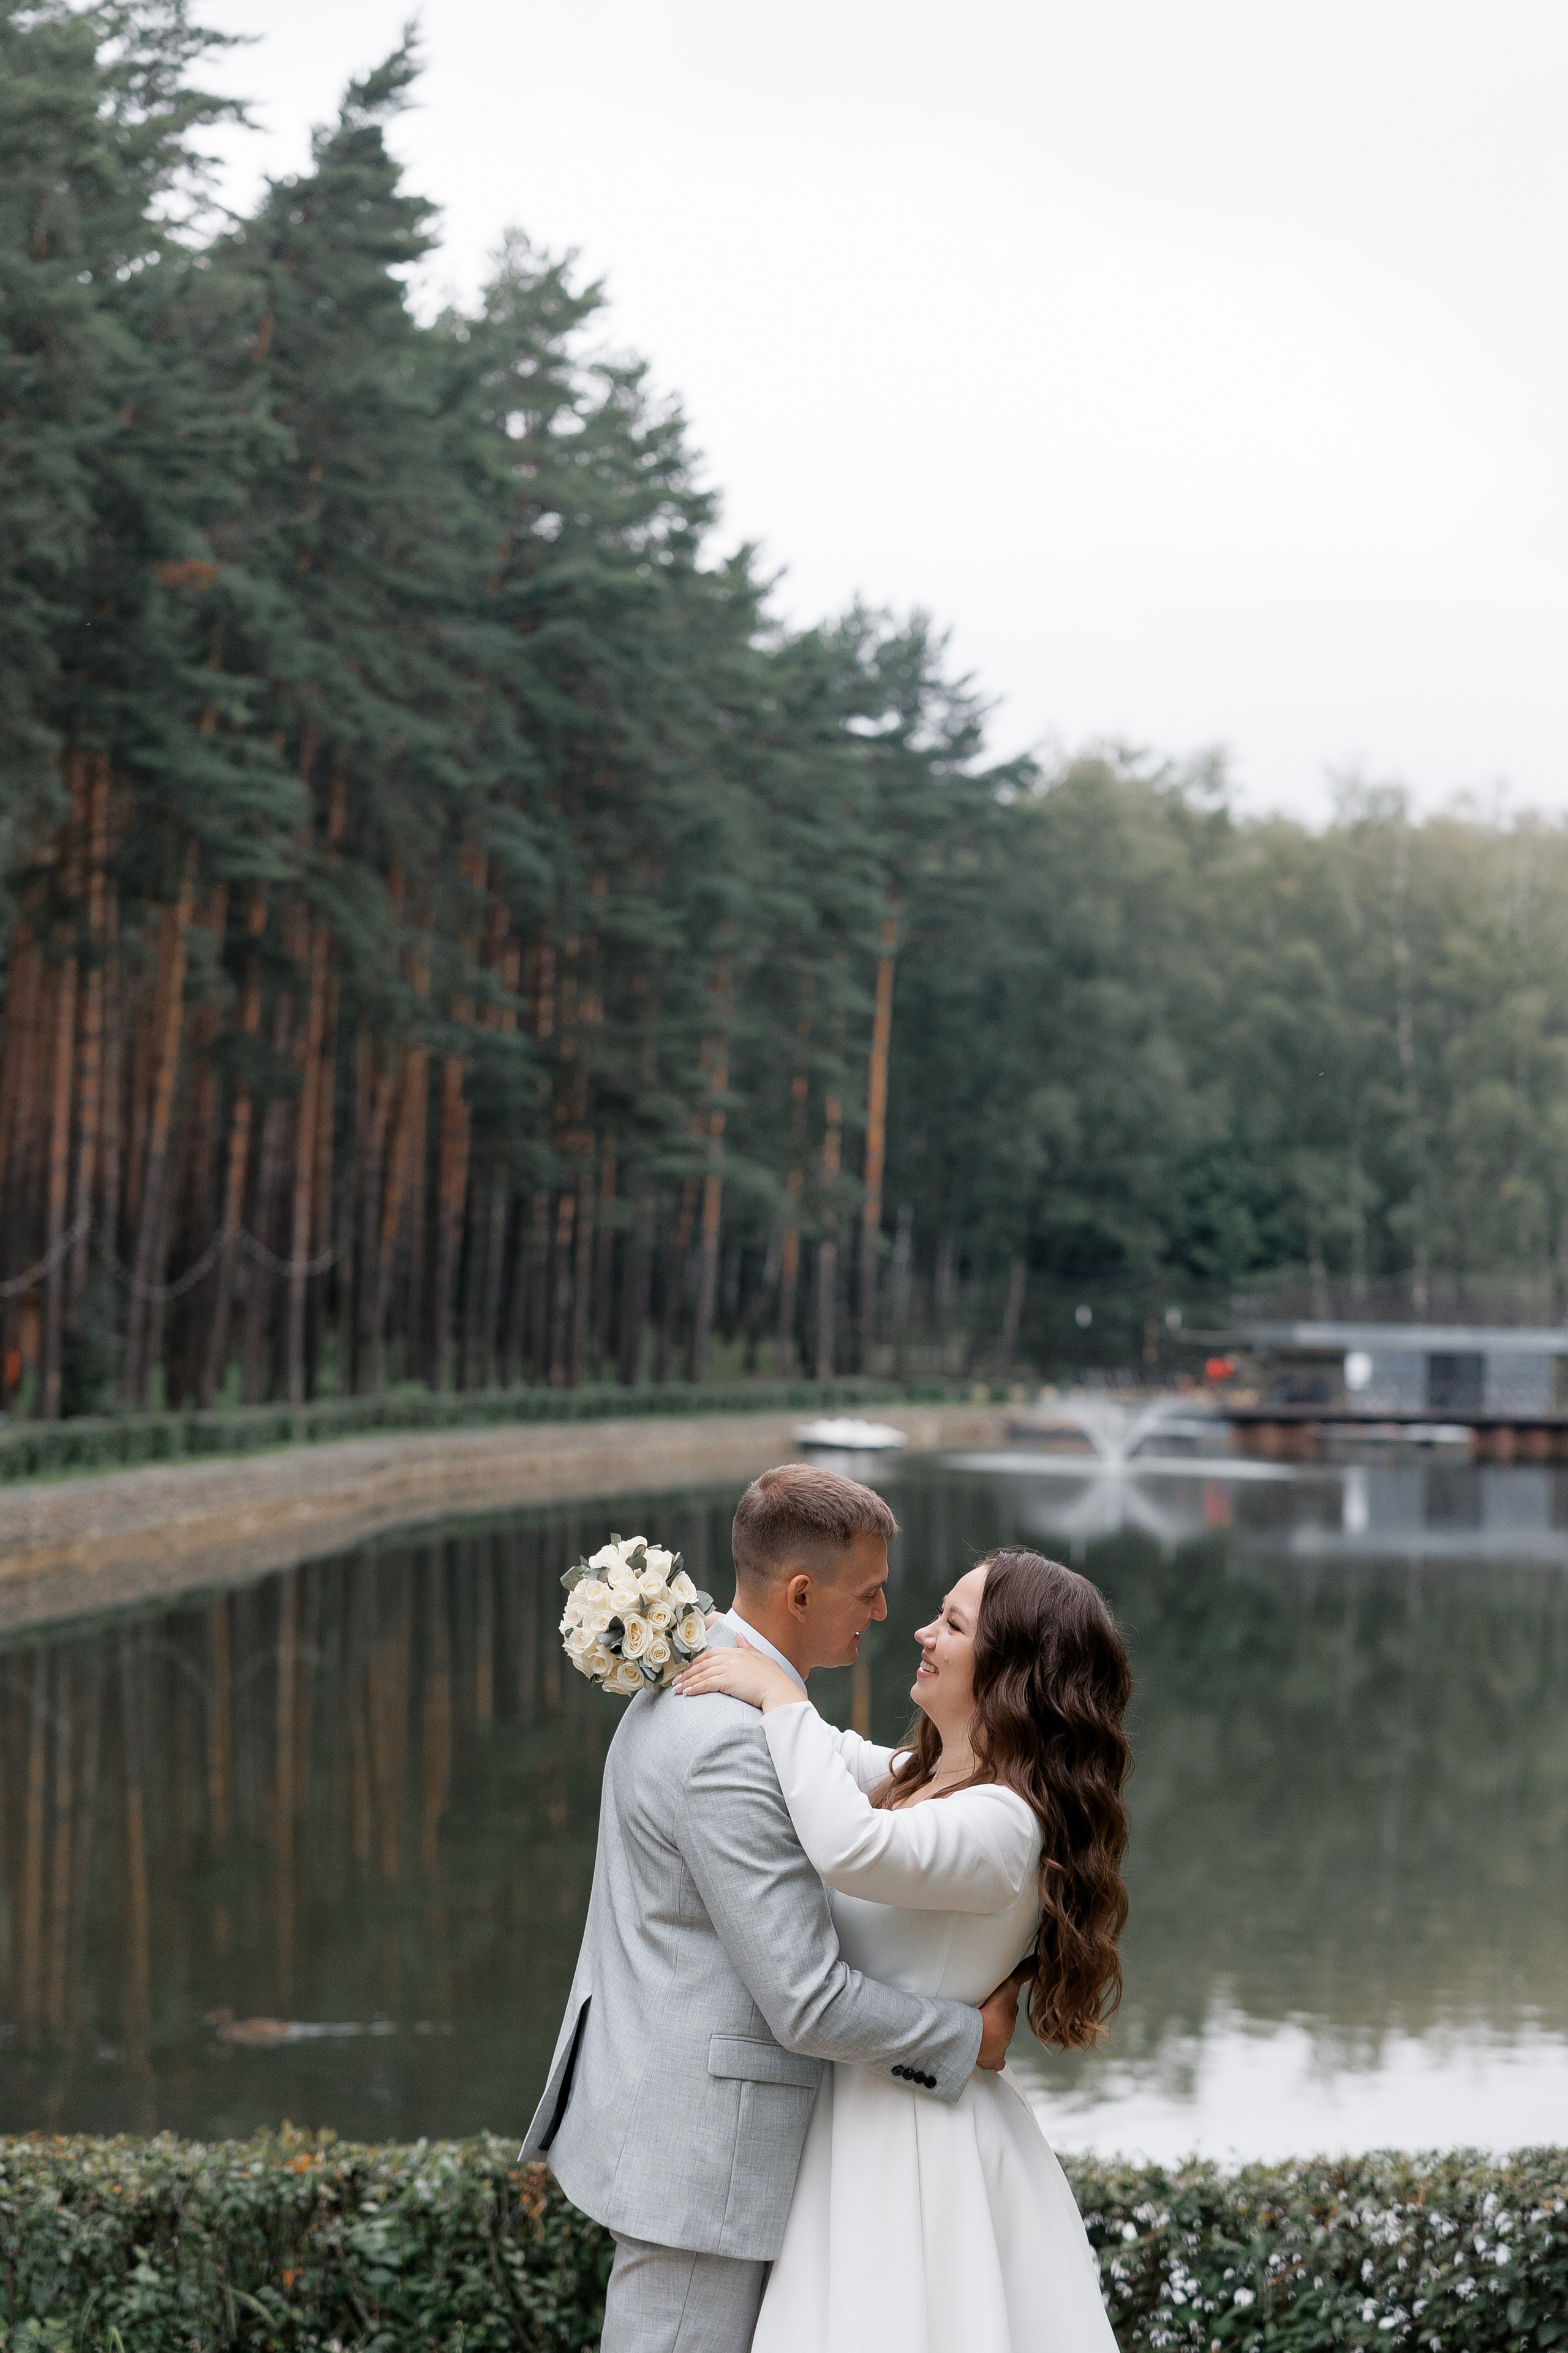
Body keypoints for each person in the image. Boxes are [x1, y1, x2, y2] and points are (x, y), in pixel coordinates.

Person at [520, 1465, 1025, 2353]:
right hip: (703, 2168)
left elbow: (849, 1763)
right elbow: (804, 1996)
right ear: (801, 1591)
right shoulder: (730, 1744)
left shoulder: (710, 1674)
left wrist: (986, 1768)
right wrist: (965, 2038)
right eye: (868, 1592)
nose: (882, 1613)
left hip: (678, 2130)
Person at [673, 1543, 1133, 2353]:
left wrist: (779, 1691)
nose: (923, 1631)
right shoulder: (925, 1774)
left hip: (917, 2151)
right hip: (859, 2122)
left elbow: (847, 1847)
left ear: (1012, 1670)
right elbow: (826, 1755)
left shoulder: (1004, 1823)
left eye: (952, 1623)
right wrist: (714, 1635)